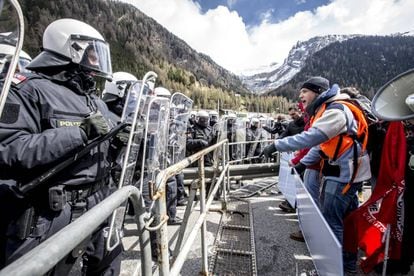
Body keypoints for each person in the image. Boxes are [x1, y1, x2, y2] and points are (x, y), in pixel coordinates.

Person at [0, 18, 121, 274]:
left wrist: (118, 142)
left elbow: (100, 153)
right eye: (92, 54)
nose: (98, 61)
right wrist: (79, 134)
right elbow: (8, 150)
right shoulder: (26, 90)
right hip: (51, 214)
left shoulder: (94, 101)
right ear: (71, 49)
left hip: (99, 204)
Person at [261, 76, 371, 273]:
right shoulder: (330, 109)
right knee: (345, 224)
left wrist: (276, 145)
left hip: (341, 178)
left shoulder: (336, 110)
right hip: (342, 174)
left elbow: (313, 137)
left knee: (332, 226)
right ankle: (346, 268)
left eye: (304, 91)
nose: (300, 95)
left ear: (318, 92)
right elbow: (323, 144)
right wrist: (303, 163)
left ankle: (335, 271)